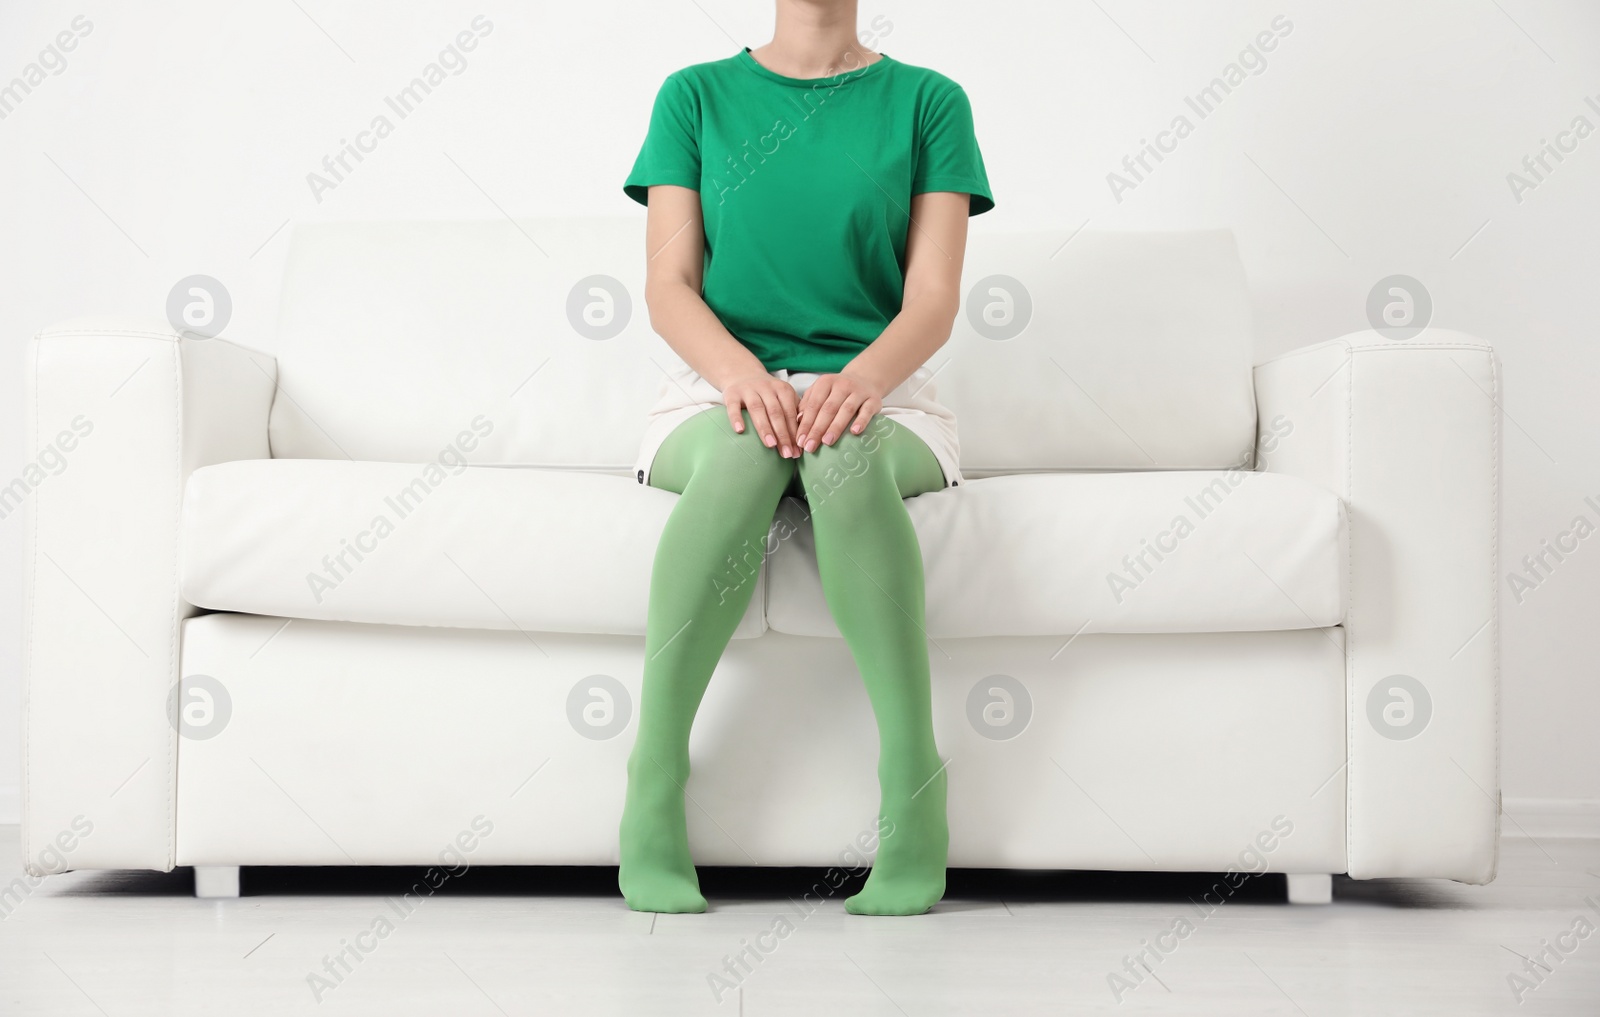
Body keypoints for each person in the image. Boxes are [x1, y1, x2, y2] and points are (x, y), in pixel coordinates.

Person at [619, 0, 993, 916]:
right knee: (748, 453)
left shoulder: (928, 101)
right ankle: (654, 780)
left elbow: (932, 300)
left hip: (883, 393)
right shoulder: (696, 96)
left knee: (843, 457)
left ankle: (914, 788)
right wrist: (744, 376)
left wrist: (857, 382)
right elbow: (669, 289)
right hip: (718, 390)